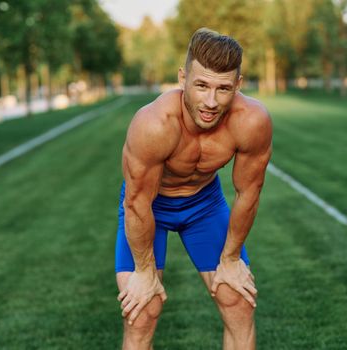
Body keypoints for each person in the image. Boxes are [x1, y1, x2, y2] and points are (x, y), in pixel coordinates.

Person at [115, 27, 272, 350]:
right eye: (201, 86)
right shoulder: (154, 124)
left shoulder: (251, 121)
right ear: (182, 78)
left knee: (237, 300)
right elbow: (136, 203)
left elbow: (249, 193)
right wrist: (144, 272)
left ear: (238, 85)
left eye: (223, 89)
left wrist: (230, 259)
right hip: (150, 207)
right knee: (143, 311)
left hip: (205, 205)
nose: (211, 102)